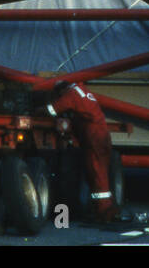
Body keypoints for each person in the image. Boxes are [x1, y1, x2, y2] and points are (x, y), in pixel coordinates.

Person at [45, 81, 118, 223]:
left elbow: (51, 110)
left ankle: (105, 212)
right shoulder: (80, 89)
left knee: (97, 174)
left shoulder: (71, 95)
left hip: (94, 138)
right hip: (100, 136)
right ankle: (102, 210)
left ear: (62, 91)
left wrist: (36, 110)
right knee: (98, 173)